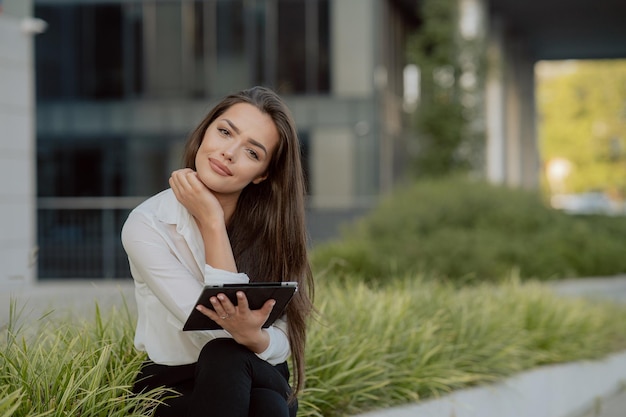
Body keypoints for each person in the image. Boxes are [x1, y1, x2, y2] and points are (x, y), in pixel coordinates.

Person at [121, 86, 314, 417]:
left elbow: (283, 341)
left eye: (252, 153)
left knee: (232, 362)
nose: (229, 153)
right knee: (254, 391)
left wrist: (256, 338)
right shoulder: (147, 224)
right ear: (204, 132)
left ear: (263, 174)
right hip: (173, 383)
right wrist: (211, 220)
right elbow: (214, 328)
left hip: (256, 371)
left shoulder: (271, 229)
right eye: (225, 132)